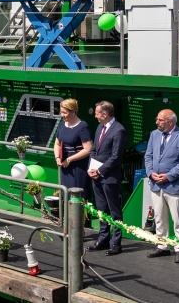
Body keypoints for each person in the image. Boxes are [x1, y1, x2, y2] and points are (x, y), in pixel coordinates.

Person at [144, 109, 179, 264]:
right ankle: (162, 245)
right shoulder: (154, 134)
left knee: (178, 220)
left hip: (175, 186)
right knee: (159, 217)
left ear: (171, 122)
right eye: (157, 119)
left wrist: (169, 176)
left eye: (160, 120)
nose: (157, 122)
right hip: (156, 185)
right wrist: (151, 172)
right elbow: (149, 156)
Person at [87, 101, 127, 256]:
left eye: (97, 113)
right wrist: (91, 168)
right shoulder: (99, 127)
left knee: (114, 210)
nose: (95, 116)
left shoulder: (119, 130)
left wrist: (100, 170)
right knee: (101, 209)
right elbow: (95, 149)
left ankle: (116, 243)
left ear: (104, 114)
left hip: (109, 177)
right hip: (96, 175)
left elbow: (116, 157)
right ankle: (103, 239)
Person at [54, 99, 93, 196]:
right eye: (61, 112)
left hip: (78, 168)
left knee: (77, 197)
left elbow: (88, 149)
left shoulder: (83, 126)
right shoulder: (62, 125)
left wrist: (70, 159)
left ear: (73, 112)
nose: (62, 115)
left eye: (64, 112)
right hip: (65, 167)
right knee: (65, 194)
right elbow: (57, 144)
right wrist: (57, 157)